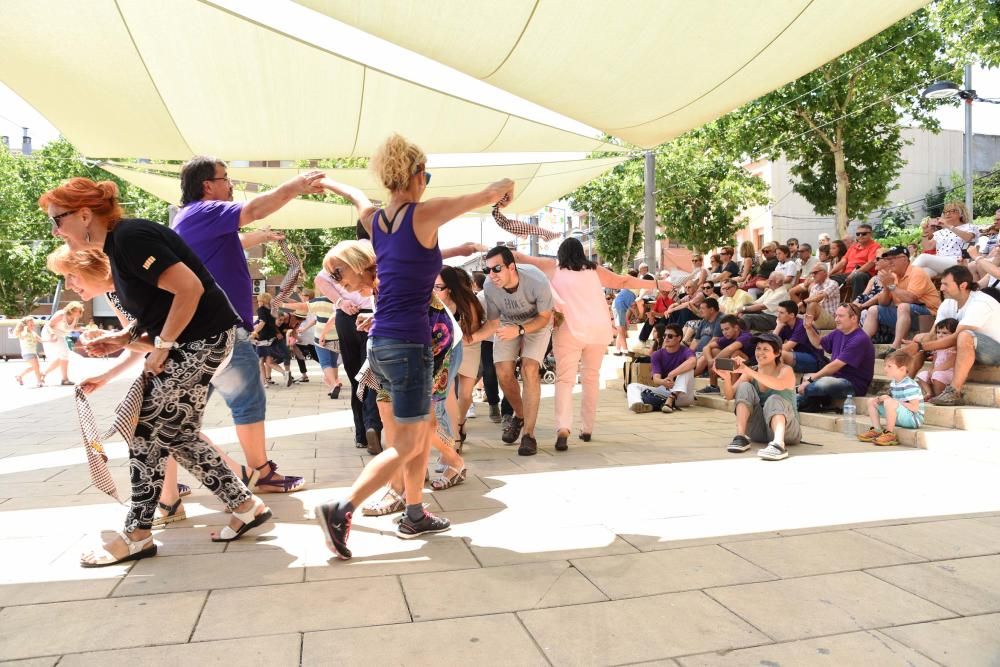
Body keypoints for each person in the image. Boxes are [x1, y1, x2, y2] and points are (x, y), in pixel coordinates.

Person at [41, 177, 271, 566]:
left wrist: (161, 348)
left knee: (145, 428)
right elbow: (160, 308)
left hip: (203, 340)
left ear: (84, 214)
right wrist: (123, 338)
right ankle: (246, 506)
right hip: (198, 340)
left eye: (56, 220)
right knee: (176, 432)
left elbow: (189, 290)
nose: (55, 230)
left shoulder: (130, 238)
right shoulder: (118, 246)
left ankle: (138, 533)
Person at [314, 133, 514, 558]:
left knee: (419, 431)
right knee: (407, 440)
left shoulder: (374, 220)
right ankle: (341, 508)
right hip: (408, 345)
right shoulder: (423, 215)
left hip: (383, 343)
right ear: (417, 174)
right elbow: (488, 192)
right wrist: (506, 187)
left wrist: (328, 183)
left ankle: (416, 511)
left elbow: (355, 196)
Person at [171, 156, 314, 494]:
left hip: (197, 332)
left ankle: (165, 487)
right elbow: (256, 208)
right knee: (248, 402)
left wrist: (257, 237)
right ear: (208, 185)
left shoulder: (191, 219)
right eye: (225, 178)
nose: (230, 184)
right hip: (222, 331)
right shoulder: (206, 211)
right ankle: (261, 473)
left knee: (178, 414)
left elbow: (231, 242)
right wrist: (297, 184)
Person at [511, 239, 654, 448]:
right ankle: (587, 429)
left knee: (565, 380)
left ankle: (563, 429)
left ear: (560, 253)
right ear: (582, 253)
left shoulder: (554, 268)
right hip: (598, 330)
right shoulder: (594, 269)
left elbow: (520, 258)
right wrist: (655, 284)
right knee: (590, 379)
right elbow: (623, 281)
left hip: (569, 331)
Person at [471, 246, 554, 456]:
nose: (491, 275)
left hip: (537, 323)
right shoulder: (489, 287)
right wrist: (470, 338)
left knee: (529, 368)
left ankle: (529, 435)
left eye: (496, 268)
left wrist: (520, 329)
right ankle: (520, 415)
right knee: (503, 373)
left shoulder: (537, 280)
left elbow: (545, 317)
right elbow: (492, 323)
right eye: (487, 269)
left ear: (511, 267)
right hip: (508, 324)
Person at [904, 266, 1000, 406]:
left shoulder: (981, 302)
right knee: (919, 338)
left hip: (995, 351)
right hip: (972, 349)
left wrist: (921, 346)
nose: (941, 288)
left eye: (945, 284)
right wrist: (915, 346)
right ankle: (903, 385)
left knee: (964, 336)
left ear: (963, 285)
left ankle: (954, 391)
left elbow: (956, 337)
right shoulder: (948, 303)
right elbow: (932, 336)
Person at [717, 332, 801, 461]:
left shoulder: (786, 370)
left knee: (774, 399)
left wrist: (747, 370)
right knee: (744, 387)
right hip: (758, 432)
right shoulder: (752, 372)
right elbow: (729, 396)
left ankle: (779, 445)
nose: (760, 352)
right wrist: (727, 378)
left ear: (777, 353)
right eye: (758, 348)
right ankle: (741, 437)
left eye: (765, 349)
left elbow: (778, 385)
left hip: (788, 432)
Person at [435, 266, 484, 448]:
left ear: (450, 287)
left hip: (468, 345)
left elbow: (474, 329)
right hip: (445, 349)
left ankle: (460, 421)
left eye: (438, 286)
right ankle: (454, 434)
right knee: (448, 391)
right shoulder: (432, 302)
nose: (434, 290)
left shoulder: (467, 302)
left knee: (465, 394)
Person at [796, 303, 876, 411]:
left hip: (852, 384)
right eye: (836, 315)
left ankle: (795, 398)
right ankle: (805, 401)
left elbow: (836, 365)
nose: (836, 319)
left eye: (841, 316)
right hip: (835, 378)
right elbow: (818, 344)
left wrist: (811, 380)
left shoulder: (860, 339)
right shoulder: (838, 332)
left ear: (853, 318)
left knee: (821, 384)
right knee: (814, 381)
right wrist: (809, 328)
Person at [861, 246, 940, 356]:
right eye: (888, 259)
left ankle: (895, 345)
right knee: (873, 310)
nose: (890, 262)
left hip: (929, 315)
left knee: (903, 306)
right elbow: (883, 303)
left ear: (904, 259)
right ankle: (860, 344)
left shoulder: (917, 272)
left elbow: (910, 299)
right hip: (905, 314)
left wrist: (891, 286)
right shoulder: (893, 276)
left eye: (893, 258)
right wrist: (886, 288)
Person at [626, 323, 697, 414]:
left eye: (670, 336)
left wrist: (672, 374)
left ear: (679, 338)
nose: (666, 338)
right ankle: (639, 405)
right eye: (664, 335)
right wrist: (663, 382)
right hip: (665, 390)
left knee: (688, 369)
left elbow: (693, 362)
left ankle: (671, 399)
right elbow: (656, 379)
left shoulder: (686, 351)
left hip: (682, 395)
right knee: (632, 386)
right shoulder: (657, 355)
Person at [859, 351, 924, 446]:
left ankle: (889, 433)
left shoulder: (909, 385)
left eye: (889, 366)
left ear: (902, 369)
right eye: (885, 365)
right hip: (901, 416)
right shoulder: (894, 382)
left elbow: (915, 408)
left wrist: (892, 400)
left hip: (913, 419)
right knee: (872, 401)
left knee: (890, 402)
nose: (885, 368)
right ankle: (877, 430)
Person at [912, 202, 979, 277]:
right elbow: (927, 247)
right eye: (946, 212)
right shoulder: (941, 232)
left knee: (923, 257)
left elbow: (968, 238)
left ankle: (904, 277)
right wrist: (925, 232)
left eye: (952, 211)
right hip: (940, 263)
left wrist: (948, 226)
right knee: (920, 274)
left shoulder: (969, 227)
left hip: (958, 261)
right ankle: (903, 283)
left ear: (961, 214)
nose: (947, 214)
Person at [695, 314, 755, 394]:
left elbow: (731, 348)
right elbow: (706, 348)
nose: (724, 332)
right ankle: (713, 387)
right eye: (722, 330)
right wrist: (710, 361)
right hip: (733, 364)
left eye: (727, 329)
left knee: (736, 354)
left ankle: (733, 389)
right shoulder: (727, 337)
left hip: (751, 364)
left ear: (736, 328)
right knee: (713, 351)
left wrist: (714, 360)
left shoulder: (746, 336)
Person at [472, 270, 502, 424]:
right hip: (488, 339)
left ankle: (508, 410)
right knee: (489, 372)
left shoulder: (509, 291)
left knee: (507, 374)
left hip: (506, 337)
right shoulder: (482, 297)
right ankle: (493, 404)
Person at [774, 300, 827, 373]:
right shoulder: (784, 325)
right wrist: (778, 326)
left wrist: (770, 348)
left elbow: (786, 347)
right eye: (778, 312)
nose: (778, 315)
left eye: (781, 313)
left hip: (815, 360)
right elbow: (770, 342)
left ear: (792, 315)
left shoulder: (801, 325)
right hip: (799, 356)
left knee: (780, 354)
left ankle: (781, 381)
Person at [830, 224, 881, 299]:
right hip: (848, 274)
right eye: (858, 234)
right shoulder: (853, 247)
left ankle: (856, 304)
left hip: (865, 274)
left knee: (858, 276)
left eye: (864, 234)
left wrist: (855, 273)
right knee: (828, 278)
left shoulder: (875, 246)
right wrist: (829, 273)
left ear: (871, 234)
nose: (860, 236)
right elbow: (843, 262)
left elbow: (870, 263)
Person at [40, 301, 83, 385]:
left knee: (63, 357)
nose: (79, 313)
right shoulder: (61, 314)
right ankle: (65, 379)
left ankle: (43, 373)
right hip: (50, 333)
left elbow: (71, 328)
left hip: (60, 335)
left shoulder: (75, 318)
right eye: (78, 310)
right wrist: (52, 334)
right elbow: (49, 325)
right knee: (64, 354)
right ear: (71, 310)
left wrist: (82, 329)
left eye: (80, 311)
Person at [915, 318, 958, 400]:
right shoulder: (938, 348)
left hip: (949, 372)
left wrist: (936, 371)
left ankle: (939, 395)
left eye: (945, 333)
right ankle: (929, 393)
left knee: (937, 375)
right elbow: (934, 362)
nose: (940, 335)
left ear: (953, 335)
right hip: (937, 371)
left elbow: (950, 363)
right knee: (922, 375)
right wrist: (932, 370)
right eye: (938, 332)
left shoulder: (953, 348)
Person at [250, 292, 286, 386]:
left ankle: (264, 382)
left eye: (258, 301)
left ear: (262, 301)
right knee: (268, 361)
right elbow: (273, 324)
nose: (258, 303)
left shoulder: (261, 310)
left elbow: (262, 323)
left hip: (263, 338)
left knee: (260, 361)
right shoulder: (272, 310)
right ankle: (283, 373)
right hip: (272, 337)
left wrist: (254, 333)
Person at [802, 262, 840, 329]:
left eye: (815, 272)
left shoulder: (833, 283)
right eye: (812, 273)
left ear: (824, 272)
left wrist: (802, 302)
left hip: (832, 318)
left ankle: (806, 330)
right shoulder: (814, 287)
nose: (813, 275)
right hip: (817, 316)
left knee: (813, 305)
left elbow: (819, 298)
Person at [611, 270, 639, 355]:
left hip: (621, 306)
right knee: (621, 329)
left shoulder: (632, 286)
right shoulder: (633, 286)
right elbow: (633, 306)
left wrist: (636, 315)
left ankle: (618, 350)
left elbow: (633, 305)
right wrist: (637, 315)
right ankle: (625, 350)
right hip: (619, 306)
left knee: (622, 329)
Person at [14, 316, 44, 387]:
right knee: (36, 367)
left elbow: (40, 339)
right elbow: (24, 334)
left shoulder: (33, 332)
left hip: (33, 352)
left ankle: (19, 376)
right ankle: (39, 382)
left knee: (35, 367)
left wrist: (50, 340)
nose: (33, 325)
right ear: (25, 325)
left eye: (33, 324)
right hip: (27, 353)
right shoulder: (22, 332)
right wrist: (25, 328)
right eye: (31, 324)